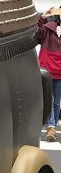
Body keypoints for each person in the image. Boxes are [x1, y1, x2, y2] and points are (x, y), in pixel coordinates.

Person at [38, 8, 61, 141]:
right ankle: (51, 127)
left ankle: (51, 126)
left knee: (57, 102)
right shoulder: (47, 29)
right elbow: (36, 32)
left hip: (59, 72)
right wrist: (42, 17)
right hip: (47, 70)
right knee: (51, 101)